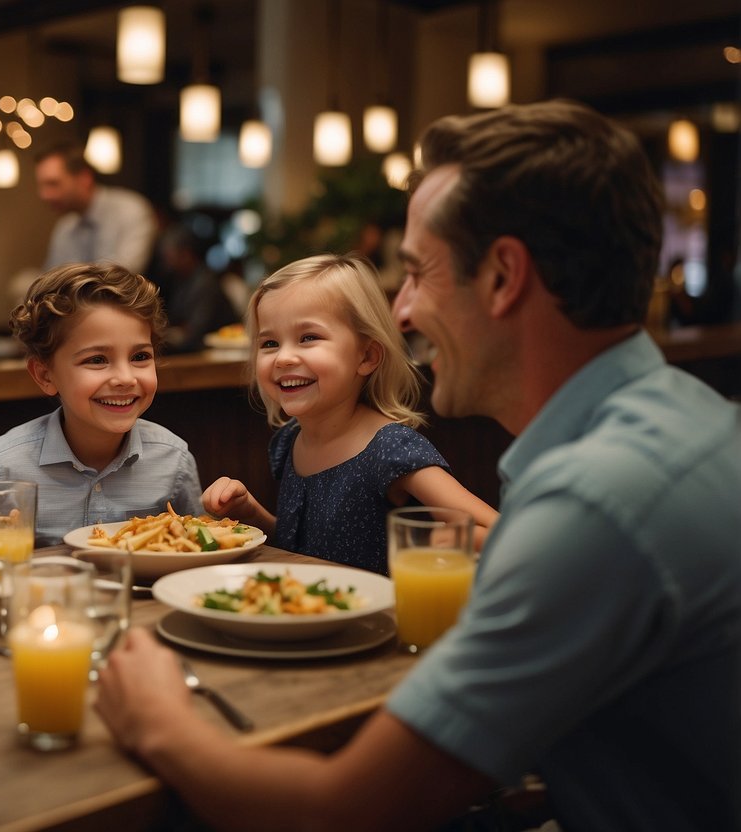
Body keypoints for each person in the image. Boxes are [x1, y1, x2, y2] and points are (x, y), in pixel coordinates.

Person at [95, 99, 741, 830]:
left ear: (502, 277)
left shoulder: (595, 504)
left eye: (414, 274)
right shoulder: (690, 421)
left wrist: (157, 721)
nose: (399, 312)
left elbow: (344, 814)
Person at [203, 253, 496, 573]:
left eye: (308, 338)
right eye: (270, 343)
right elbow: (301, 551)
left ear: (366, 356)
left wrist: (433, 541)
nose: (284, 358)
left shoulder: (390, 449)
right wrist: (249, 514)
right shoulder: (288, 442)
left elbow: (498, 532)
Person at [0, 263, 204, 552]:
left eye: (140, 356)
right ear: (45, 375)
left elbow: (200, 554)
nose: (126, 378)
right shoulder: (0, 468)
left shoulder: (174, 462)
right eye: (97, 360)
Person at [35, 143, 157, 275]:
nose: (44, 195)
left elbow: (123, 279)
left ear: (84, 178)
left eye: (53, 184)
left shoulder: (132, 210)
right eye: (41, 186)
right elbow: (50, 278)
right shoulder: (65, 225)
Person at [157, 223, 241, 354]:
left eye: (170, 256)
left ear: (186, 254)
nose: (167, 262)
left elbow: (195, 332)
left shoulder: (205, 283)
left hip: (218, 353)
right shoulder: (181, 279)